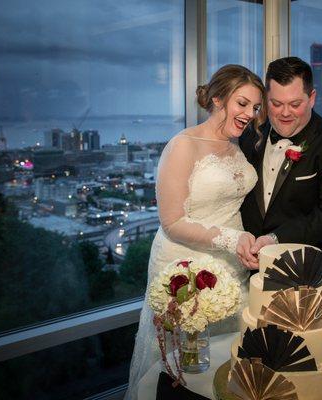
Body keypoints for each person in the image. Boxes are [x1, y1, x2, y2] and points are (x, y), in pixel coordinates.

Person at [125, 64, 266, 399]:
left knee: (226, 365)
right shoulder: (183, 145)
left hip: (233, 267)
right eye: (242, 103)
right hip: (184, 264)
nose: (250, 114)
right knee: (182, 368)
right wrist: (233, 240)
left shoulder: (236, 146)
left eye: (256, 107)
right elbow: (172, 221)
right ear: (218, 98)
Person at [239, 57, 322, 338]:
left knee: (319, 370)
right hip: (254, 280)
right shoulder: (250, 137)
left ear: (312, 98)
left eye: (295, 104)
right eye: (275, 103)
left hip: (316, 279)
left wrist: (273, 240)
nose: (284, 113)